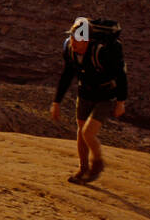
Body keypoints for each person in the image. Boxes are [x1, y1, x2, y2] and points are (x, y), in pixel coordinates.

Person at [49, 17, 128, 184]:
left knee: (88, 133)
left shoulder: (102, 53)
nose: (73, 42)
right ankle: (83, 169)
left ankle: (97, 164)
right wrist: (57, 102)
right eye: (71, 37)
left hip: (105, 95)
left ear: (88, 40)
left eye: (78, 39)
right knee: (80, 131)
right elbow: (66, 76)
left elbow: (121, 75)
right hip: (85, 92)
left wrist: (121, 101)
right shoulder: (69, 50)